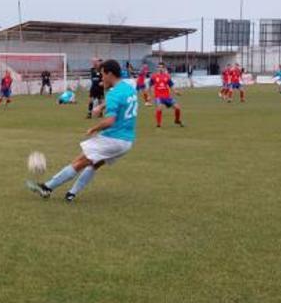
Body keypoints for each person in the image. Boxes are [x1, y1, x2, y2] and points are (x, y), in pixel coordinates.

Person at [26, 59, 137, 203]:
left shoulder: (114, 94)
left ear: (110, 74)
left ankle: (47, 188)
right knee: (94, 164)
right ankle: (72, 193)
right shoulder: (129, 87)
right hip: (127, 141)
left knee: (79, 162)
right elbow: (122, 100)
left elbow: (110, 121)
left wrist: (94, 128)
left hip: (113, 139)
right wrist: (101, 106)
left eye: (103, 74)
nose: (101, 78)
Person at [149, 64, 184, 128]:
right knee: (159, 108)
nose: (160, 68)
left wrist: (175, 91)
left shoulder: (167, 76)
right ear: (157, 68)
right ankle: (158, 124)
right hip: (158, 96)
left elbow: (171, 85)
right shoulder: (154, 76)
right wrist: (151, 95)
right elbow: (151, 86)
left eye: (162, 67)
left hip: (167, 96)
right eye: (159, 67)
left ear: (164, 68)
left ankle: (177, 120)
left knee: (177, 108)